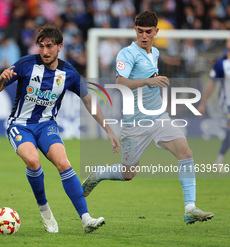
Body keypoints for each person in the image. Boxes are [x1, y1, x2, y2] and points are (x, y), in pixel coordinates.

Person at [82, 11, 214, 225]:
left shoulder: (155, 53)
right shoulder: (127, 54)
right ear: (135, 30)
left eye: (148, 32)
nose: (144, 36)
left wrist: (152, 83)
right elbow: (120, 83)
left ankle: (190, 208)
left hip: (159, 117)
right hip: (135, 123)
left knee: (186, 152)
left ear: (156, 32)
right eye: (140, 31)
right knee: (128, 173)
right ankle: (97, 175)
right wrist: (147, 82)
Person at [0, 24, 120, 233]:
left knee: (63, 162)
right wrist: (0, 79)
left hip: (46, 125)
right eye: (41, 46)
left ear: (60, 47)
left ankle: (86, 219)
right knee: (33, 160)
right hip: (20, 124)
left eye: (49, 46)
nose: (45, 51)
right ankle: (45, 211)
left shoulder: (68, 73)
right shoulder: (25, 64)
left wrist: (108, 130)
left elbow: (89, 101)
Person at [197, 38, 230, 168]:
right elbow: (212, 83)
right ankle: (219, 159)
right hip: (226, 103)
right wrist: (203, 103)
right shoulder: (221, 63)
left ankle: (219, 159)